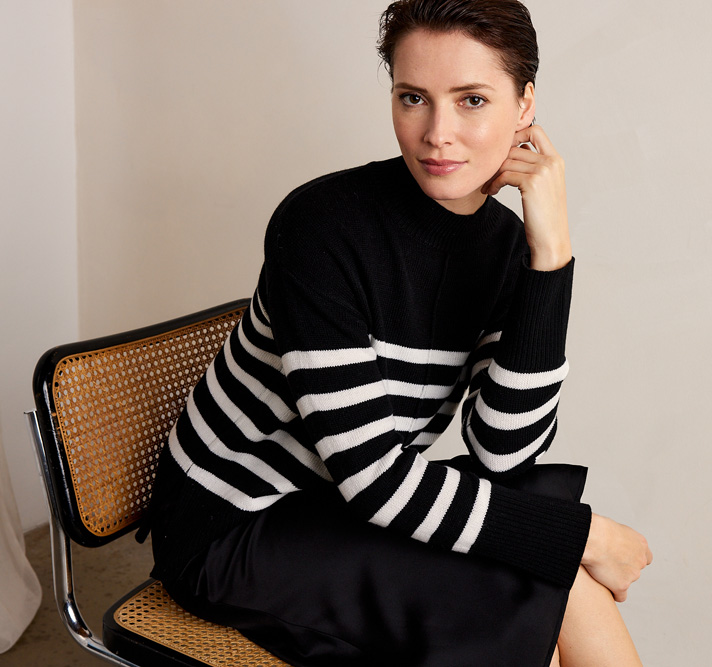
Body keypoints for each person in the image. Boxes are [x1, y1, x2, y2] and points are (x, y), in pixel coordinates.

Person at [143, 1, 652, 665]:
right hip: (235, 523)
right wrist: (587, 536)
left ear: (525, 105)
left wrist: (550, 258)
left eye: (472, 100)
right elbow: (375, 478)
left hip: (345, 503)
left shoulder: (507, 246)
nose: (438, 134)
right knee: (561, 577)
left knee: (550, 567)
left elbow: (504, 453)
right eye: (414, 98)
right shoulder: (322, 227)